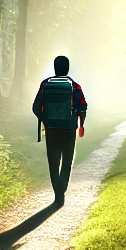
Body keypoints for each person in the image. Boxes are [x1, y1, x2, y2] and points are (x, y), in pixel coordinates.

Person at [31, 55, 87, 206]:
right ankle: (63, 188)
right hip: (69, 129)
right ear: (67, 68)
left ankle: (57, 191)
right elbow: (83, 107)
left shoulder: (45, 84)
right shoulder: (75, 86)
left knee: (53, 160)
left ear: (55, 68)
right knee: (67, 159)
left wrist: (46, 119)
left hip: (51, 129)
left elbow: (35, 107)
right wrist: (81, 124)